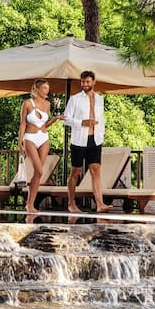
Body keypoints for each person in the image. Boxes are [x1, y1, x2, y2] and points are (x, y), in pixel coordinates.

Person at [63, 70, 110, 213]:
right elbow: (66, 119)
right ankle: (71, 203)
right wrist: (82, 122)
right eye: (83, 81)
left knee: (95, 171)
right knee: (76, 171)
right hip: (79, 140)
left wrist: (101, 134)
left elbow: (101, 118)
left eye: (88, 82)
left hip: (95, 139)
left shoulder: (100, 99)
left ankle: (100, 204)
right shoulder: (75, 99)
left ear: (94, 82)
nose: (85, 84)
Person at [18, 79, 62, 221]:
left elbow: (44, 124)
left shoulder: (47, 104)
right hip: (30, 138)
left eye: (47, 88)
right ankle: (29, 203)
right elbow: (23, 124)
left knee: (38, 173)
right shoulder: (27, 103)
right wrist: (20, 142)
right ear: (36, 89)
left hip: (43, 138)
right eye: (44, 88)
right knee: (39, 170)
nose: (46, 91)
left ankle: (30, 204)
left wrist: (55, 119)